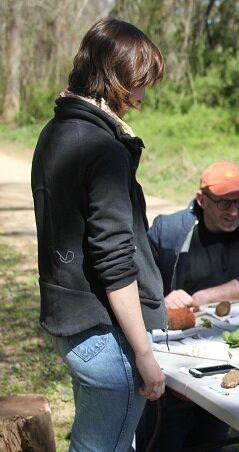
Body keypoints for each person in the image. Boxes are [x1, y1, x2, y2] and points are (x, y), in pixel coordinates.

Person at [31, 19, 166, 451]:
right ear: (115, 76)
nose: (144, 96)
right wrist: (146, 357)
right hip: (103, 335)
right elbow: (115, 260)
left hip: (71, 325)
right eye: (140, 82)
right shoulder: (104, 148)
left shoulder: (55, 133)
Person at [137, 160, 239, 451]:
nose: (235, 211)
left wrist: (203, 297)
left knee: (213, 438)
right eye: (225, 203)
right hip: (172, 352)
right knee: (165, 438)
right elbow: (136, 277)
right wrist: (161, 299)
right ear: (202, 200)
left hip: (227, 348)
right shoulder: (169, 230)